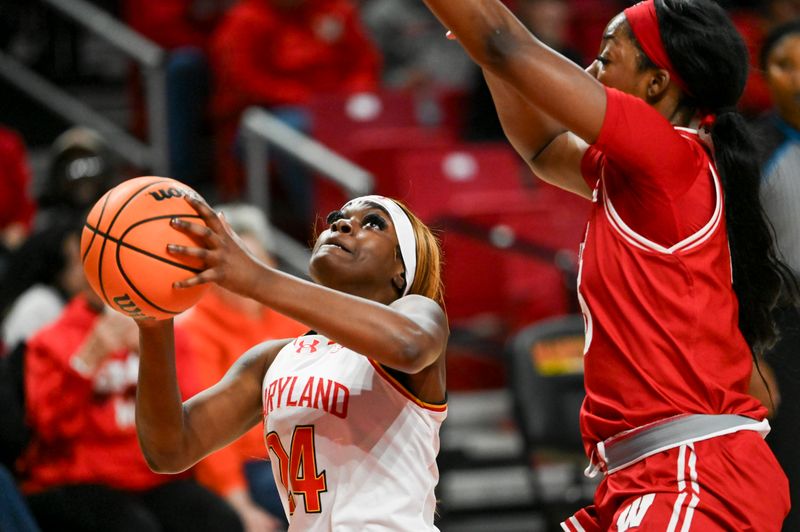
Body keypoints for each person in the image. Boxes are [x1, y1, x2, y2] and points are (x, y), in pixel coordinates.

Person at [422, 0, 798, 529]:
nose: (589, 71)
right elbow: (543, 145)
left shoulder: (667, 160)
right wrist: (490, 59)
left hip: (692, 474)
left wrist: (493, 42)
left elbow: (509, 41)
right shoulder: (638, 173)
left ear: (656, 84)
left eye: (605, 57)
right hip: (644, 474)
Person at [135, 194, 448, 530]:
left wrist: (257, 278)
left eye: (372, 223)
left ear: (401, 270)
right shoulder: (272, 360)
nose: (341, 224)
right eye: (335, 218)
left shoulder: (418, 313)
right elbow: (169, 450)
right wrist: (154, 322)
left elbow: (409, 346)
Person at [18, 285, 243, 532]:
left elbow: (189, 419)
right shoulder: (51, 338)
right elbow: (49, 431)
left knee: (222, 520)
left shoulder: (169, 334)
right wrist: (86, 362)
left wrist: (154, 354)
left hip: (152, 478)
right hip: (78, 480)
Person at [179, 203, 307, 531]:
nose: (244, 278)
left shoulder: (291, 317)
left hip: (307, 451)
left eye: (254, 264)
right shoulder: (195, 329)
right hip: (253, 466)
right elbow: (206, 429)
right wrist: (239, 505)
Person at [752, 20, 800, 531]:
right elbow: (731, 261)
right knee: (791, 465)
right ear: (765, 74)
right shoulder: (751, 148)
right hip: (783, 330)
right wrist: (752, 353)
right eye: (786, 65)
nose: (799, 77)